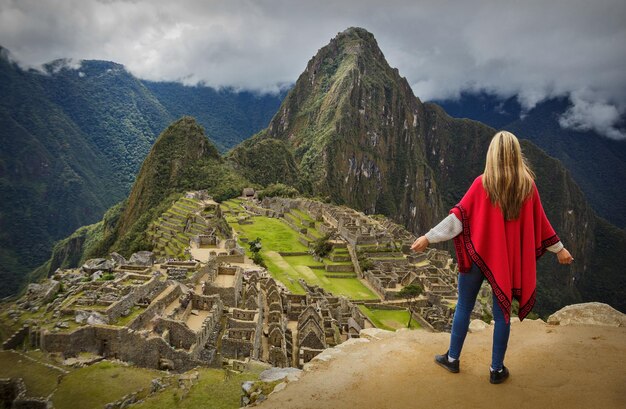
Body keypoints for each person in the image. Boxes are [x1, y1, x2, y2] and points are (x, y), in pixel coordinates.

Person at [411, 131, 573, 384]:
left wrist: (428, 237)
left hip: (478, 256)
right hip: (505, 263)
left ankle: (452, 359)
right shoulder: (527, 186)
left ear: (492, 154)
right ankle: (496, 370)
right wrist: (560, 249)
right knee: (502, 316)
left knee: (464, 305)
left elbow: (458, 218)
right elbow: (541, 224)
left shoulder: (482, 183)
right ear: (515, 154)